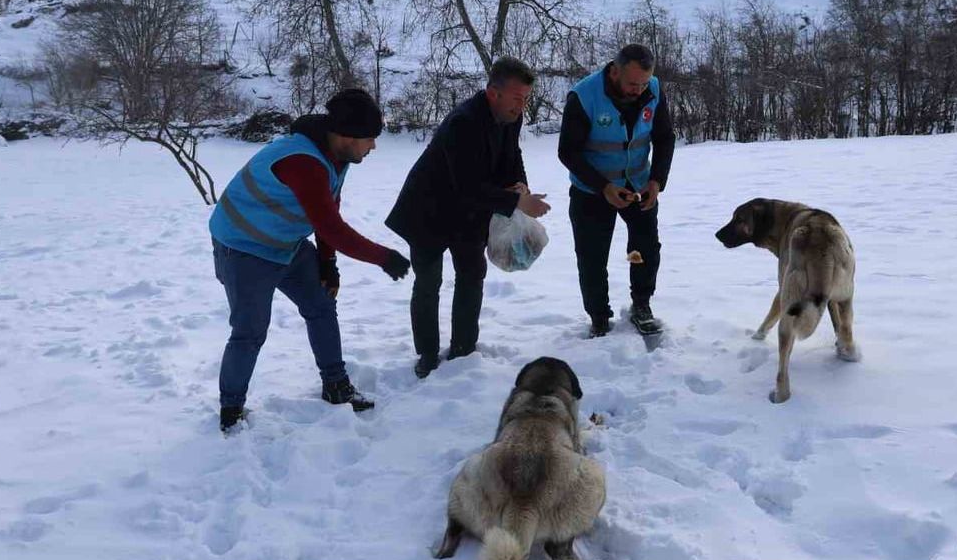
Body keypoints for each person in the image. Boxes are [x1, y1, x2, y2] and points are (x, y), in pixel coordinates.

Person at [208, 88, 411, 431]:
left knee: (321, 304)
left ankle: (336, 386)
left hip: (285, 244)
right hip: (243, 248)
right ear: (347, 135)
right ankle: (231, 410)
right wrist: (384, 257)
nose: (373, 146)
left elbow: (330, 208)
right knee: (250, 331)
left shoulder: (338, 156)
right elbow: (332, 227)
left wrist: (327, 265)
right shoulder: (302, 162)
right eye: (370, 138)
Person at [386, 57, 551, 379]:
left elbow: (511, 155)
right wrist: (518, 201)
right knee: (429, 282)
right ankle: (427, 356)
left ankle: (464, 349)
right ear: (493, 93)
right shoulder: (463, 122)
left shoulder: (510, 116)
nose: (522, 106)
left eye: (526, 99)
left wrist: (520, 184)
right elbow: (467, 185)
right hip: (428, 212)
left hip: (469, 215)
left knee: (472, 275)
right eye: (518, 98)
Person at [558, 44, 675, 337]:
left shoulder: (654, 90)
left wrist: (657, 181)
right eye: (632, 83)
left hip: (638, 185)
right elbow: (567, 152)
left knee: (645, 248)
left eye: (643, 83)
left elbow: (664, 138)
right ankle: (599, 317)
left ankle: (641, 304)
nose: (638, 90)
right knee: (592, 256)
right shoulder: (584, 96)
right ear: (614, 71)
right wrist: (604, 187)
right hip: (591, 191)